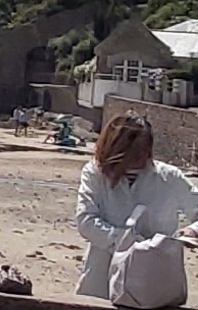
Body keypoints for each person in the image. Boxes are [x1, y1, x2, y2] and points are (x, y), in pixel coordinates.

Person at [75, 113, 198, 299]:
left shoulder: (169, 177)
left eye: (144, 148)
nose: (140, 154)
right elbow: (86, 221)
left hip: (155, 283)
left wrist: (192, 231)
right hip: (101, 281)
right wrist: (131, 243)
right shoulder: (95, 174)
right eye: (133, 149)